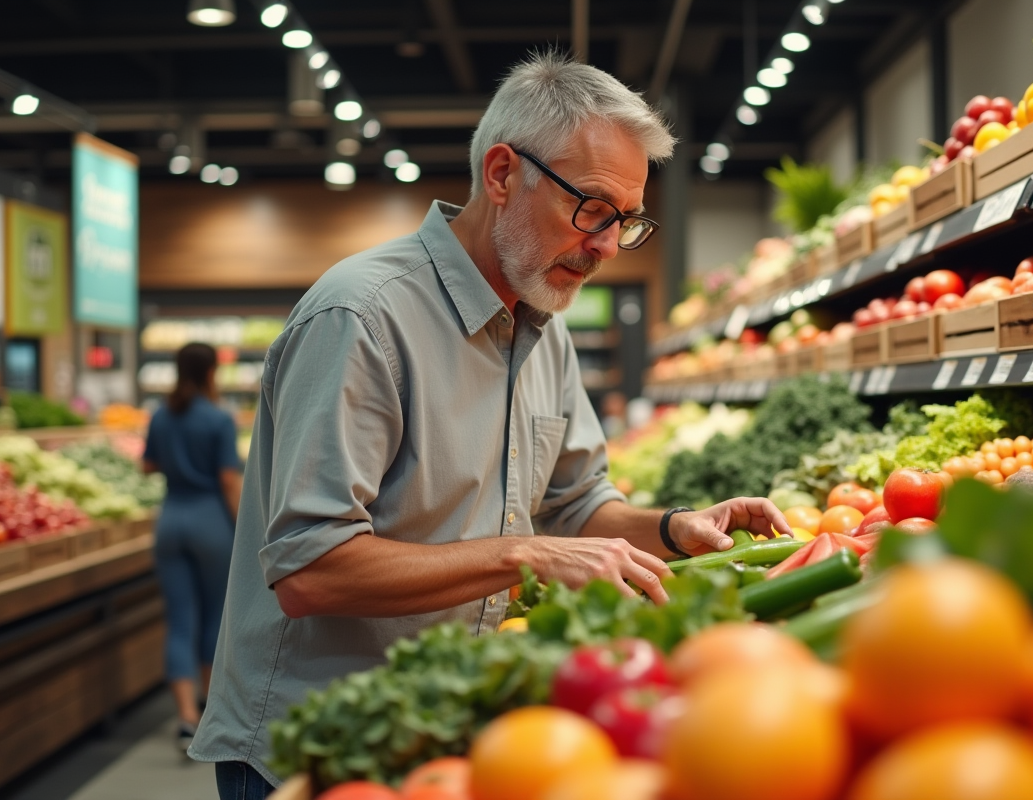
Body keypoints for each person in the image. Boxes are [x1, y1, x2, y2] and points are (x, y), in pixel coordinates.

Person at [190, 52, 790, 798]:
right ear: (503, 175)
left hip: (447, 730)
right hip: (314, 750)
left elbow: (575, 506)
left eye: (625, 222)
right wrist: (521, 556)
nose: (606, 245)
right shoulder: (363, 317)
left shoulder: (546, 325)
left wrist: (672, 528)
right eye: (592, 208)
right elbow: (310, 569)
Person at [143, 342, 243, 752]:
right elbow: (228, 481)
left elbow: (147, 466)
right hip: (210, 523)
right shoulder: (219, 419)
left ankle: (185, 714)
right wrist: (245, 528)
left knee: (180, 619)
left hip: (170, 520)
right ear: (211, 372)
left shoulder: (161, 416)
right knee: (215, 617)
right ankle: (211, 709)